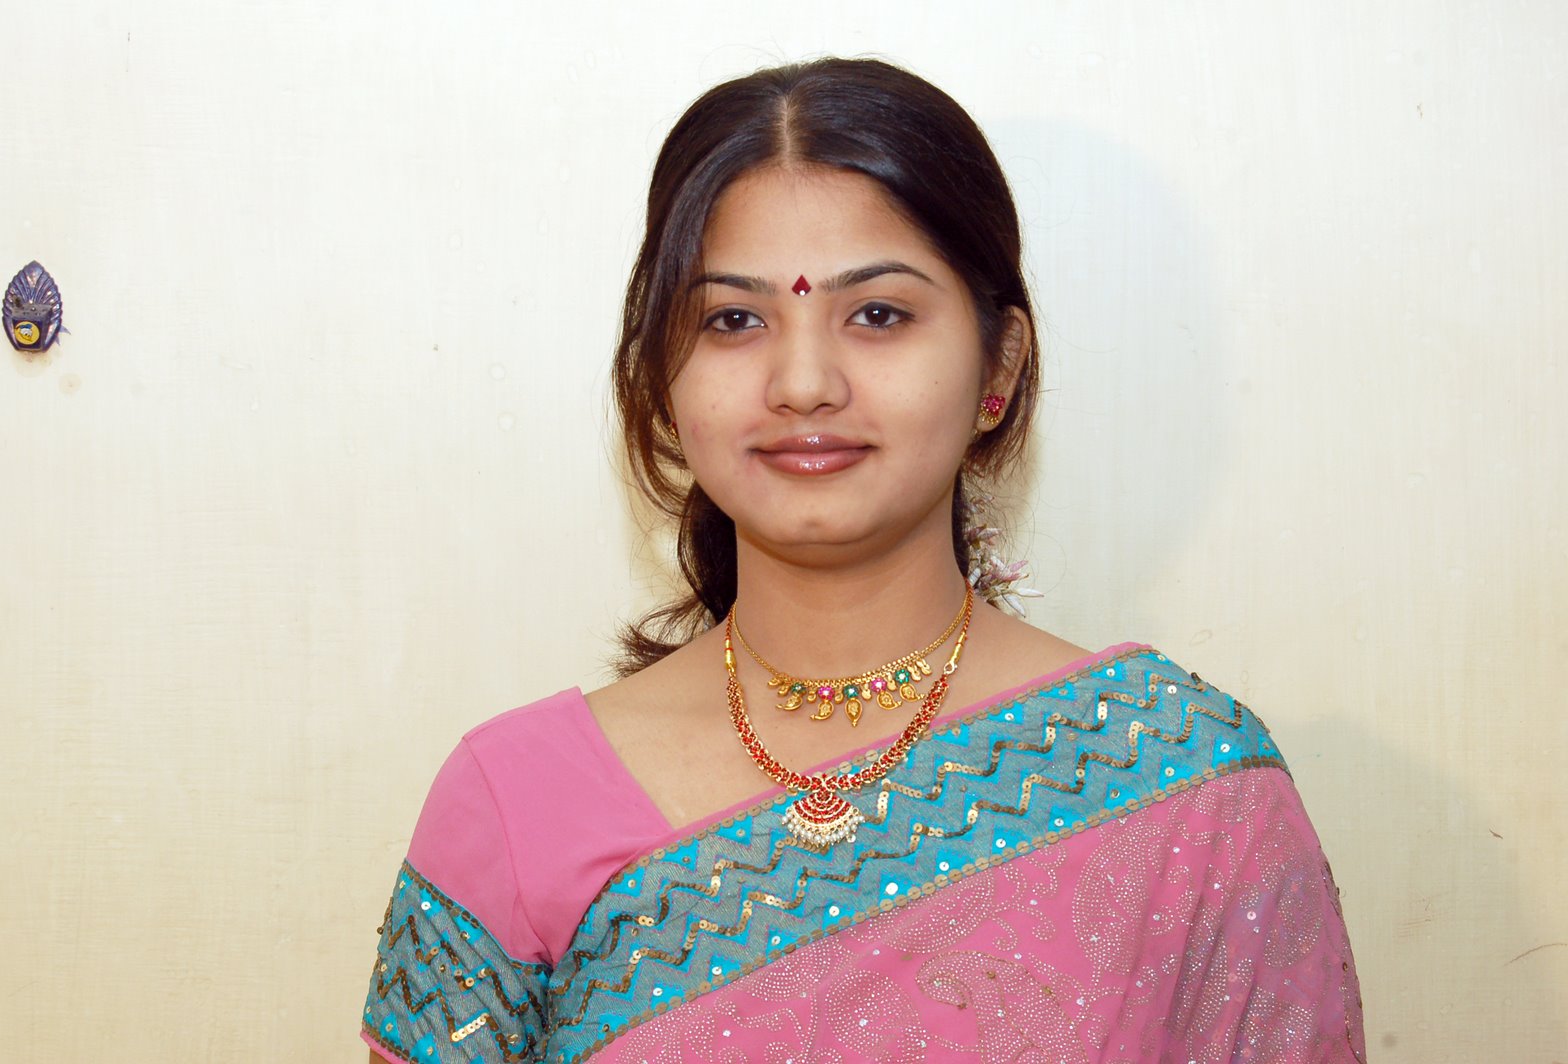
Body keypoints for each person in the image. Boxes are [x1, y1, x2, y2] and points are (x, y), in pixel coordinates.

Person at [360, 57, 1365, 1063]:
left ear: (1000, 363)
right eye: (733, 319)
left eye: (878, 313)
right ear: (664, 377)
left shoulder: (1186, 789)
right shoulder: (513, 803)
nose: (803, 382)